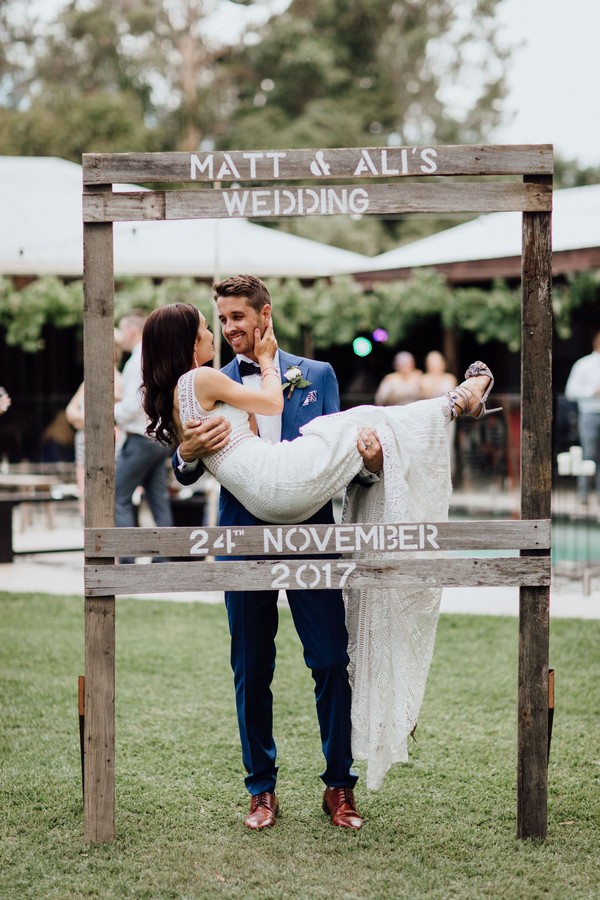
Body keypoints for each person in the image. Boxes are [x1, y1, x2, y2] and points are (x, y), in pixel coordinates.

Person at [141, 279, 497, 823]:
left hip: (312, 534)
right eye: (221, 319)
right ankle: (261, 789)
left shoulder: (318, 375)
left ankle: (339, 785)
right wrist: (185, 452)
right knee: (251, 667)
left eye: (239, 317)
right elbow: (185, 468)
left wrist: (374, 463)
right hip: (243, 541)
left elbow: (342, 459)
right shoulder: (212, 379)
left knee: (332, 660)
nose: (230, 328)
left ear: (265, 315)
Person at [115, 309, 173, 562]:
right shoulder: (154, 356)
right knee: (158, 501)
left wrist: (106, 412)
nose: (120, 338)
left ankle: (126, 560)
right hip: (160, 439)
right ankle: (164, 557)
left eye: (121, 330)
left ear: (132, 331)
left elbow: (131, 407)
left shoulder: (136, 360)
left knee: (118, 497)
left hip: (141, 439)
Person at [66, 330, 124, 515]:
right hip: (84, 445)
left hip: (108, 446)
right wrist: (89, 420)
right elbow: (69, 412)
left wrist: (83, 419)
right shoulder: (88, 381)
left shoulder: (120, 381)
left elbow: (115, 416)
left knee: (105, 497)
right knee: (85, 497)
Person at [565, 329, 600, 503]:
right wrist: (592, 392)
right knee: (588, 455)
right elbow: (570, 391)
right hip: (589, 414)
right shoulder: (583, 364)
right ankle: (583, 495)